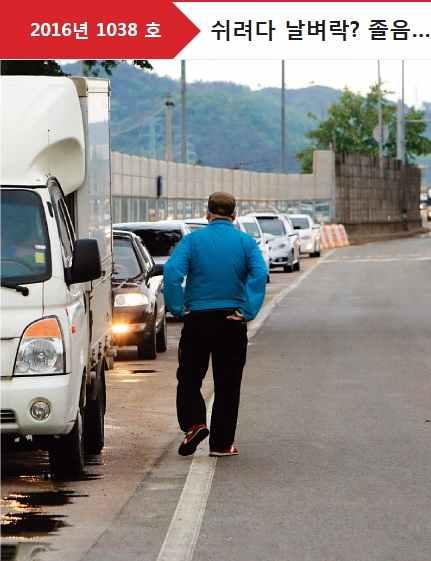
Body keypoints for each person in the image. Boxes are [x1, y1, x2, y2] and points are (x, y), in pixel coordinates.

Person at [163, 192, 268, 457]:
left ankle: (195, 422)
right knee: (228, 384)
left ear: (207, 213)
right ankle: (221, 444)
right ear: (234, 215)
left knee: (189, 377)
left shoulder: (193, 241)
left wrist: (177, 307)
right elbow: (260, 274)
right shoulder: (245, 243)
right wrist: (247, 310)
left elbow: (172, 272)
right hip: (232, 321)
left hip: (197, 320)